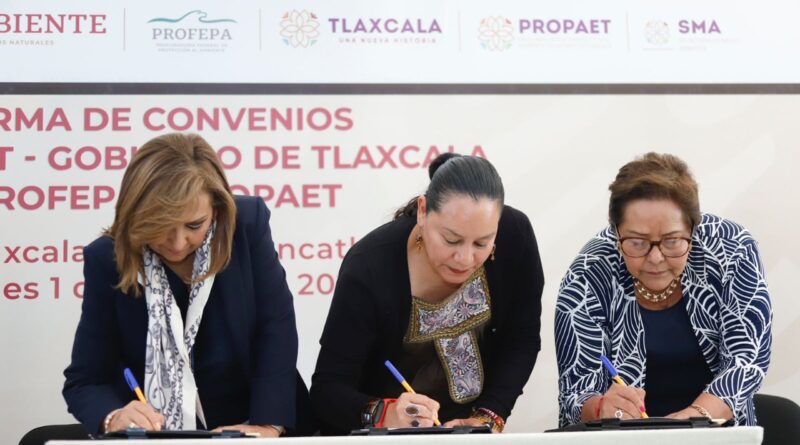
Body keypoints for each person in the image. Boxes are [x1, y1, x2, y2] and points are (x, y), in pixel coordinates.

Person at [63, 133, 310, 437]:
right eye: (160, 227)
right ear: (135, 215)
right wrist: (114, 418)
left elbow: (276, 329)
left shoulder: (246, 226)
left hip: (253, 427)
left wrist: (267, 426)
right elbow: (86, 380)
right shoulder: (107, 259)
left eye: (194, 225)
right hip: (158, 438)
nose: (178, 243)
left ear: (217, 208)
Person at [310, 153, 544, 435]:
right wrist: (383, 413)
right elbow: (328, 391)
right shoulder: (370, 267)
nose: (465, 258)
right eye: (451, 240)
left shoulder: (514, 236)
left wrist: (488, 417)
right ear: (423, 211)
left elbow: (521, 339)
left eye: (482, 243)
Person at [555, 152, 772, 427]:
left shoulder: (732, 249)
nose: (656, 258)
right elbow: (575, 394)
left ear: (693, 228)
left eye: (672, 241)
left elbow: (746, 361)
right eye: (637, 242)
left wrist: (688, 422)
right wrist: (601, 407)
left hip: (717, 434)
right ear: (616, 231)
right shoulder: (589, 273)